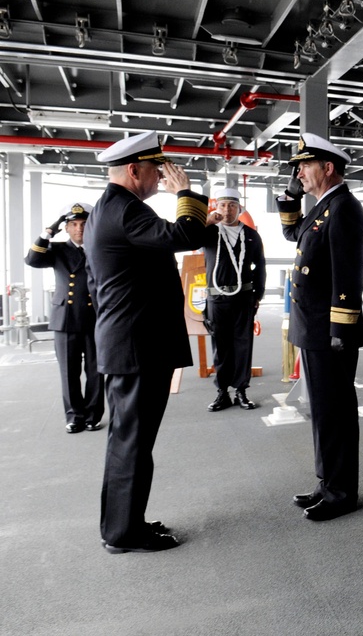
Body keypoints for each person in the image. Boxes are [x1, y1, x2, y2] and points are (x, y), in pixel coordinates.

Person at [87, 130, 214, 553]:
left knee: (130, 441)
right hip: (137, 347)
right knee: (133, 443)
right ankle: (123, 533)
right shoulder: (124, 210)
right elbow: (185, 237)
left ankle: (125, 523)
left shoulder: (112, 209)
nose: (161, 177)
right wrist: (188, 193)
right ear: (133, 170)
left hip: (130, 343)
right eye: (156, 170)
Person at [277, 133, 363, 522]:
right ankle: (326, 480)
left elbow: (348, 277)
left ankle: (341, 491)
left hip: (329, 333)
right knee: (322, 412)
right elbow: (294, 235)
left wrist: (340, 332)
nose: (299, 171)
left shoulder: (344, 208)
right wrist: (290, 197)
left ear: (328, 168)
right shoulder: (323, 206)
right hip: (312, 328)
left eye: (305, 165)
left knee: (335, 412)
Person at [25, 202, 104, 433]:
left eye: (84, 224)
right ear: (66, 228)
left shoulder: (99, 247)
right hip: (66, 318)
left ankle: (92, 415)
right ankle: (74, 416)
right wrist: (49, 231)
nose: (79, 228)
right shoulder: (57, 250)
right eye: (73, 224)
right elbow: (32, 259)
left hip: (95, 316)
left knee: (96, 371)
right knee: (69, 371)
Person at [202, 188, 266, 412]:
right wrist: (207, 222)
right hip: (217, 298)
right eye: (222, 205)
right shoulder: (209, 232)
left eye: (231, 205)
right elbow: (187, 237)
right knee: (221, 346)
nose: (227, 210)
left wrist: (258, 295)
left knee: (243, 345)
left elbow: (260, 266)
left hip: (243, 298)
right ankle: (222, 393)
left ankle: (241, 390)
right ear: (216, 208)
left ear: (239, 209)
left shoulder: (250, 235)